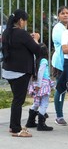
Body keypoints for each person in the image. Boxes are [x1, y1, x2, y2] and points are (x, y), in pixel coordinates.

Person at [2, 9, 41, 137]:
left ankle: (13, 125)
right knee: (18, 101)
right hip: (20, 72)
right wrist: (36, 39)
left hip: (8, 71)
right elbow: (37, 49)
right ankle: (16, 129)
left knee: (16, 99)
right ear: (20, 20)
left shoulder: (6, 32)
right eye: (25, 21)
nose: (25, 23)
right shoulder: (22, 34)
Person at [26, 43, 54, 131]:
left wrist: (31, 85)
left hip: (35, 82)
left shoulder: (35, 60)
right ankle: (41, 124)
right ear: (46, 51)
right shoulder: (44, 61)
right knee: (44, 103)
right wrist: (39, 85)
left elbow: (32, 73)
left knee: (36, 102)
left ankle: (30, 121)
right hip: (43, 83)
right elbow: (41, 73)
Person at [52, 6, 68, 126]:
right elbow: (67, 44)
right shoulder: (58, 28)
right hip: (60, 63)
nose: (65, 15)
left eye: (67, 13)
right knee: (61, 90)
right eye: (62, 13)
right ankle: (59, 115)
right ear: (58, 16)